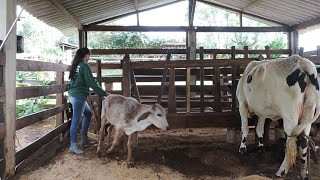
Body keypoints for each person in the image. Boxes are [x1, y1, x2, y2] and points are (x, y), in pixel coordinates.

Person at [68, 47, 108, 154]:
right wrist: (104, 93)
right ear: (86, 55)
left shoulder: (76, 65)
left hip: (73, 95)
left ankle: (84, 139)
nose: (89, 57)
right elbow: (91, 82)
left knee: (88, 113)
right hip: (79, 96)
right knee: (76, 121)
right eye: (89, 55)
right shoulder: (84, 66)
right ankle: (73, 145)